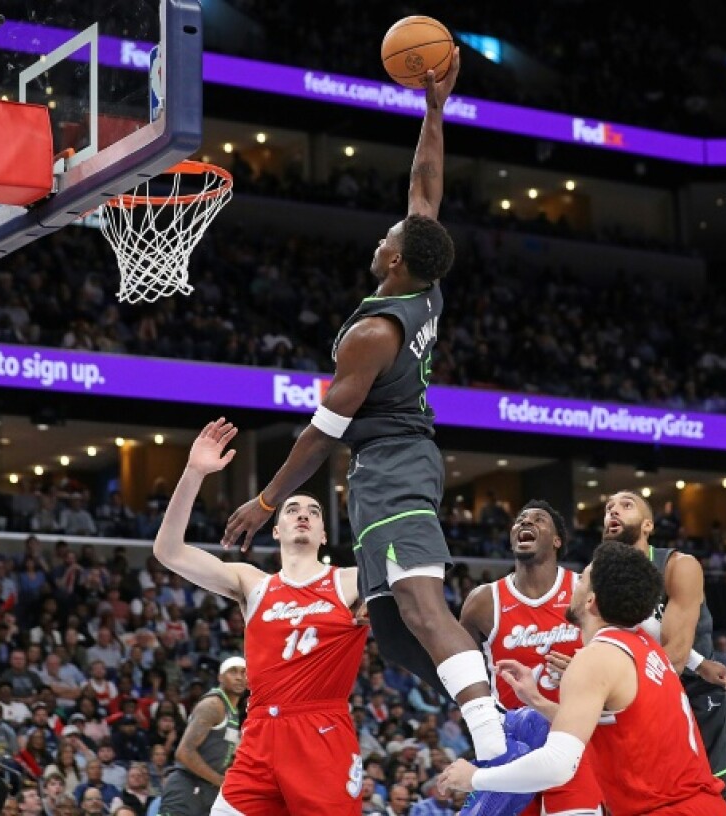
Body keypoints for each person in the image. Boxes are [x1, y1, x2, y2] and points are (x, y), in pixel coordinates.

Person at [221, 49, 509, 766]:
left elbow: (322, 434)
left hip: (392, 465)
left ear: (396, 261)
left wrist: (264, 499)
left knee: (418, 604)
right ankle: (499, 690)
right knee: (396, 633)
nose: (382, 234)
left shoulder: (375, 333)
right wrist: (434, 112)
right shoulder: (423, 286)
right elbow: (425, 189)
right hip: (388, 470)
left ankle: (497, 733)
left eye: (388, 238)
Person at [155, 420, 370, 814]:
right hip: (260, 734)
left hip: (321, 732)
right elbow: (169, 551)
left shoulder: (352, 580)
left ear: (324, 532)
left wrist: (384, 598)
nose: (302, 514)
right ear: (276, 529)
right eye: (291, 509)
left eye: (313, 511)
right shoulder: (253, 583)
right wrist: (194, 473)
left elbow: (413, 571)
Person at [436, 544, 726, 816]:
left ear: (591, 601)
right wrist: (536, 700)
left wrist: (475, 778)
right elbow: (604, 727)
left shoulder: (597, 657)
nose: (573, 585)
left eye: (582, 579)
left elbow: (558, 764)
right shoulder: (642, 644)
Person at [601, 491, 726, 810]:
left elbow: (672, 657)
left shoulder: (678, 566)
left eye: (626, 505)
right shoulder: (596, 577)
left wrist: (696, 665)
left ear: (648, 525)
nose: (613, 511)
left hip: (698, 699)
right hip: (649, 703)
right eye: (608, 508)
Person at [458, 500, 605, 816]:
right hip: (514, 744)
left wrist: (585, 673)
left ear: (557, 540)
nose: (526, 523)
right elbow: (461, 672)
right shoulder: (483, 601)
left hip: (574, 738)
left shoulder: (583, 590)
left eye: (539, 520)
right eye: (520, 520)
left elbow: (614, 654)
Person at [158, 656, 247, 816]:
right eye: (232, 672)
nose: (239, 677)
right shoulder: (213, 705)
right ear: (220, 677)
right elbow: (184, 753)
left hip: (206, 790)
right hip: (187, 786)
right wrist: (220, 781)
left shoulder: (233, 710)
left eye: (243, 672)